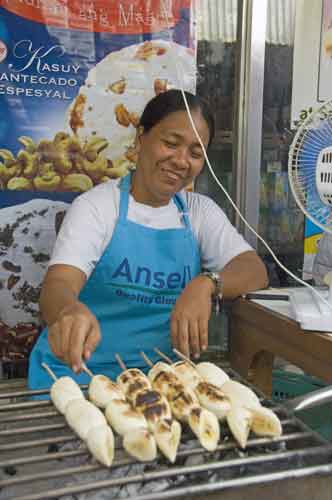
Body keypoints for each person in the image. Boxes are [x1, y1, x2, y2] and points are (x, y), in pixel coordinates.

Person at [28, 89, 268, 390]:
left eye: (196, 153)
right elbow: (58, 285)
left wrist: (207, 283)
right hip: (78, 375)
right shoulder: (99, 206)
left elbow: (254, 271)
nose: (181, 161)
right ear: (141, 138)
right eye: (171, 143)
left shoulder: (199, 212)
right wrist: (67, 311)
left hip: (161, 381)